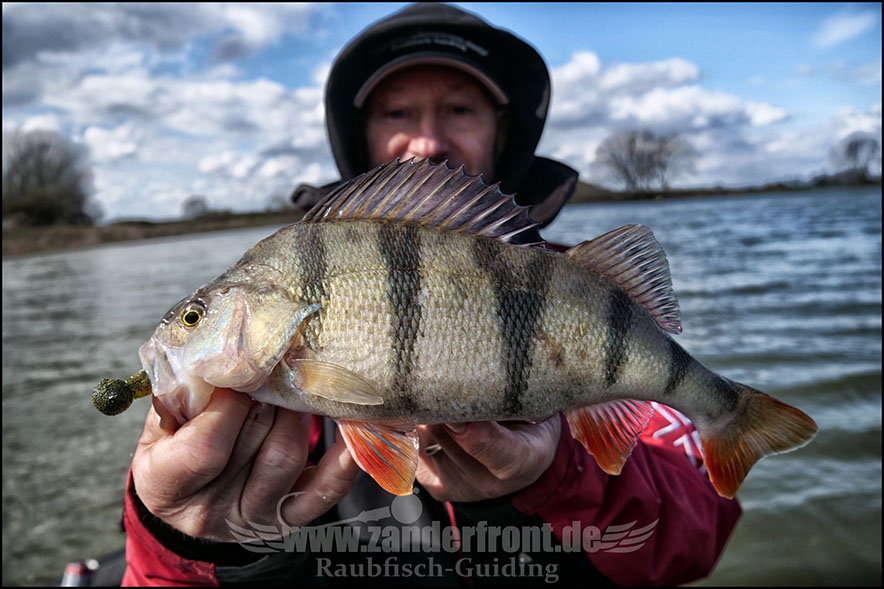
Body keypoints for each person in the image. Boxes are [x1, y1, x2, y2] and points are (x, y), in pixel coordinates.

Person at [122, 3, 741, 586]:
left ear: (503, 130)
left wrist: (557, 476)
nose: (427, 141)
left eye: (459, 110)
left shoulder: (579, 291)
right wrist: (185, 542)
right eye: (397, 114)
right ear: (356, 132)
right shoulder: (267, 388)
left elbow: (699, 525)